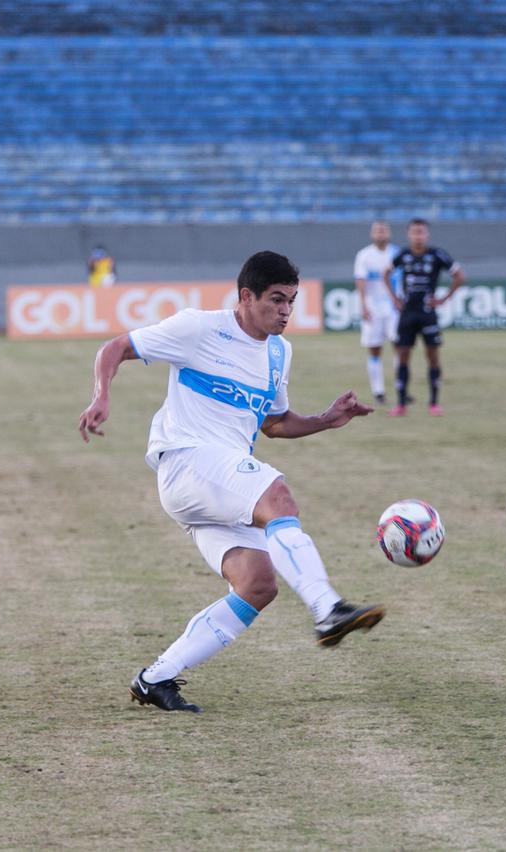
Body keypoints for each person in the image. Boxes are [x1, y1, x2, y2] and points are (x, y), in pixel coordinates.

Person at [78, 250, 385, 714]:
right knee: (278, 497)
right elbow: (115, 348)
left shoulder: (279, 352)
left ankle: (155, 678)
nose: (285, 311)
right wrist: (101, 397)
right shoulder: (199, 328)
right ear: (246, 296)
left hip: (217, 482)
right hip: (186, 461)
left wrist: (326, 419)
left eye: (292, 301)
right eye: (276, 299)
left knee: (258, 583)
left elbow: (274, 423)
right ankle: (327, 608)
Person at [385, 218, 465, 416]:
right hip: (407, 314)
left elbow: (459, 276)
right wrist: (394, 298)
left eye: (421, 232)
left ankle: (434, 403)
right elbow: (385, 273)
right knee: (403, 355)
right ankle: (401, 404)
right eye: (414, 232)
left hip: (428, 314)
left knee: (433, 356)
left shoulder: (437, 254)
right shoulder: (402, 255)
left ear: (426, 234)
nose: (418, 236)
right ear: (409, 234)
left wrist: (444, 298)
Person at [353, 220, 401, 404]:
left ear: (389, 233)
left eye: (384, 230)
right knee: (375, 350)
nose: (381, 234)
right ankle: (378, 391)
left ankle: (401, 388)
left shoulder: (397, 253)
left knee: (400, 347)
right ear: (372, 234)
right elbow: (361, 280)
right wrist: (363, 305)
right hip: (373, 308)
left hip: (394, 309)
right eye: (378, 231)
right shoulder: (364, 255)